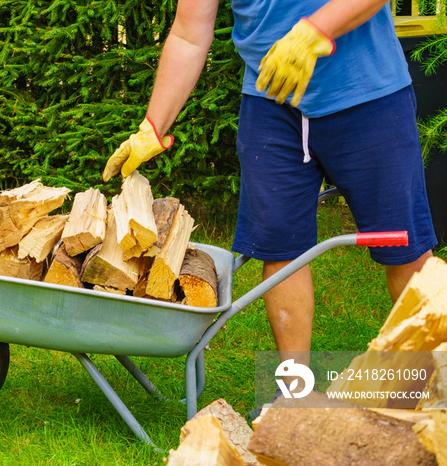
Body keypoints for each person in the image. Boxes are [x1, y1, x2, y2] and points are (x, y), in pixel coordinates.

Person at [102, 0, 437, 402]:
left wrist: (315, 29)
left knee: (405, 249)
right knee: (282, 248)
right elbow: (190, 32)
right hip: (271, 104)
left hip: (367, 94)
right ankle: (296, 395)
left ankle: (433, 391)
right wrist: (153, 126)